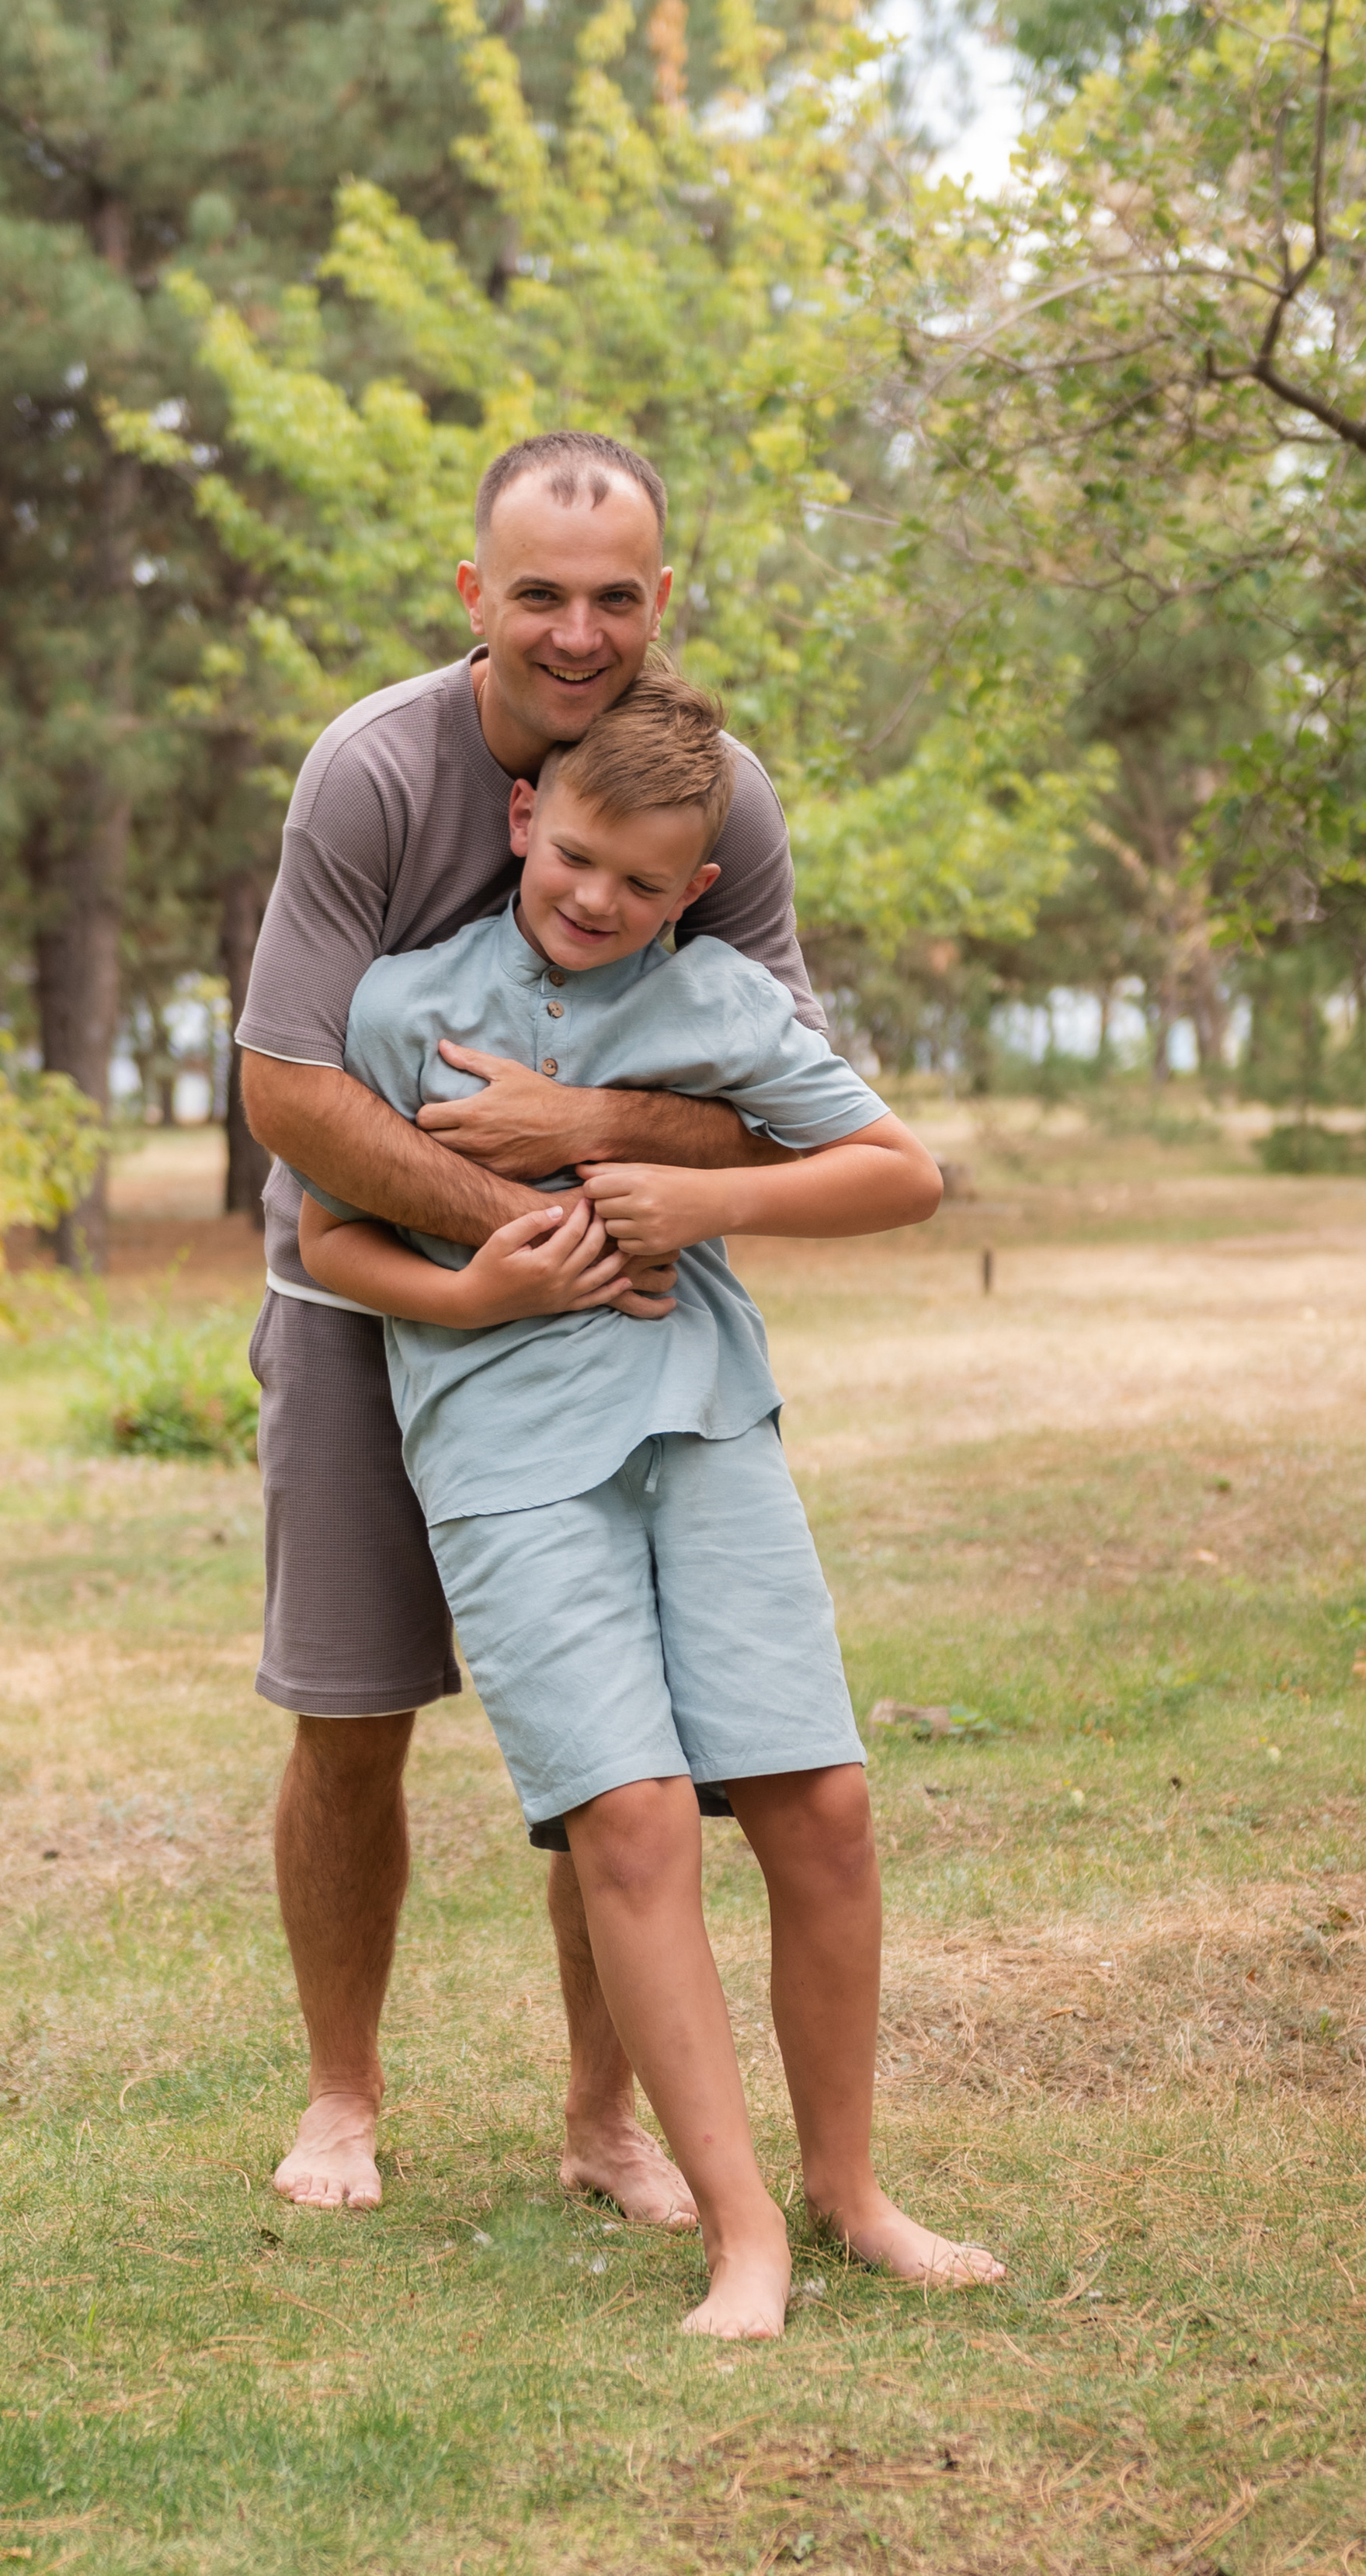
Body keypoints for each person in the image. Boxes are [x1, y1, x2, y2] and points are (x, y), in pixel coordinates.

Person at [294, 668, 1004, 2337]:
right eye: (574, 858)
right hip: (504, 1459)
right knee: (626, 1819)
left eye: (640, 881)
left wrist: (692, 1186)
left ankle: (849, 2190)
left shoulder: (725, 1007)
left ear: (694, 886)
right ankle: (739, 2236)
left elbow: (900, 1171)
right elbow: (328, 1239)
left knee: (816, 1804)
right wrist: (470, 1294)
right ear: (524, 821)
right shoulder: (401, 1008)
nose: (595, 900)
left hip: (703, 1424)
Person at [236, 429, 833, 2219]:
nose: (578, 631)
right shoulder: (369, 773)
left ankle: (605, 2121)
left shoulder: (713, 792)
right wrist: (512, 1235)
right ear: (472, 596)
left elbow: (770, 1105)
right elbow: (284, 1088)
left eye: (614, 596)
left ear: (666, 596)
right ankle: (342, 2097)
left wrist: (584, 1140)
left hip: (618, 1315)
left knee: (623, 1736)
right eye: (538, 595)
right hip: (363, 1285)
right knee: (351, 1712)